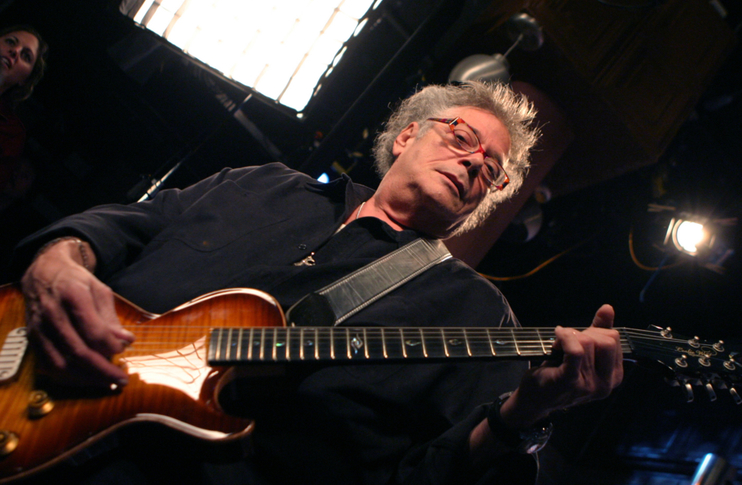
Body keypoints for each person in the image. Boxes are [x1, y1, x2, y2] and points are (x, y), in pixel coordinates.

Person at [13, 80, 623, 484]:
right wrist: (60, 259)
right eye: (462, 139)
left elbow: (437, 474)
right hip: (27, 374)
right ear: (408, 135)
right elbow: (131, 224)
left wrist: (527, 417)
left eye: (490, 172)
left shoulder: (477, 316)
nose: (472, 163)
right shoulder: (265, 184)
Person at [0, 25, 47, 203]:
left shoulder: (11, 133)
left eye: (26, 56)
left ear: (25, 79)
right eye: (10, 42)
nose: (15, 51)